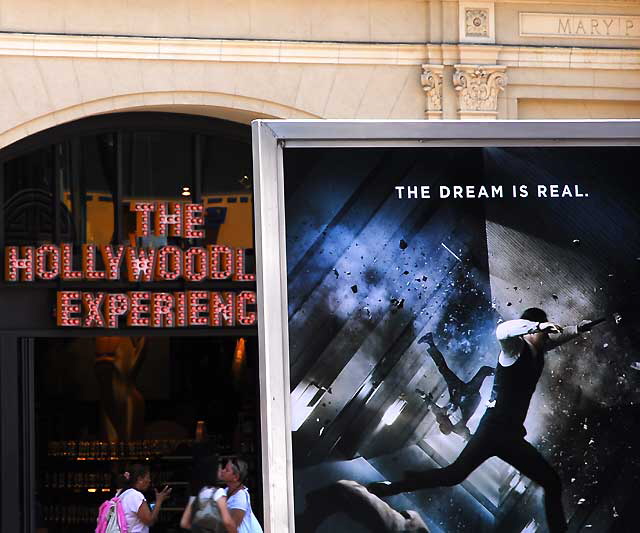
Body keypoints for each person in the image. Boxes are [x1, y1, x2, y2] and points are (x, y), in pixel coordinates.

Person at [370, 308, 594, 533]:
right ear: (529, 330)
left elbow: (555, 340)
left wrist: (577, 329)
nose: (547, 336)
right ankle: (395, 486)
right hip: (491, 431)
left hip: (512, 436)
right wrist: (537, 326)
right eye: (543, 331)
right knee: (453, 476)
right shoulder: (513, 350)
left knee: (551, 482)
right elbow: (502, 331)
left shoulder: (538, 352)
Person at [417, 332, 494, 437]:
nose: (445, 421)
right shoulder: (459, 429)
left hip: (458, 391)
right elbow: (469, 437)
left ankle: (430, 342)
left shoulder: (439, 414)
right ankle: (503, 372)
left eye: (443, 422)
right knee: (484, 370)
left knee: (443, 370)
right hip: (470, 396)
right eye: (445, 424)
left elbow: (430, 405)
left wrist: (422, 395)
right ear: (449, 426)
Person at [180, 455, 237, 533]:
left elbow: (184, 523)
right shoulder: (218, 492)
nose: (221, 470)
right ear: (213, 471)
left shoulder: (195, 494)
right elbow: (227, 522)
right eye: (219, 468)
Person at [118, 464, 172, 533]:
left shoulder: (122, 494)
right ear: (140, 479)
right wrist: (159, 501)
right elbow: (150, 521)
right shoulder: (136, 496)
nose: (149, 480)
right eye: (148, 477)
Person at [218, 457, 263, 533]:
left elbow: (233, 526)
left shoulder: (240, 496)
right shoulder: (225, 491)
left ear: (236, 477)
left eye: (227, 470)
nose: (223, 471)